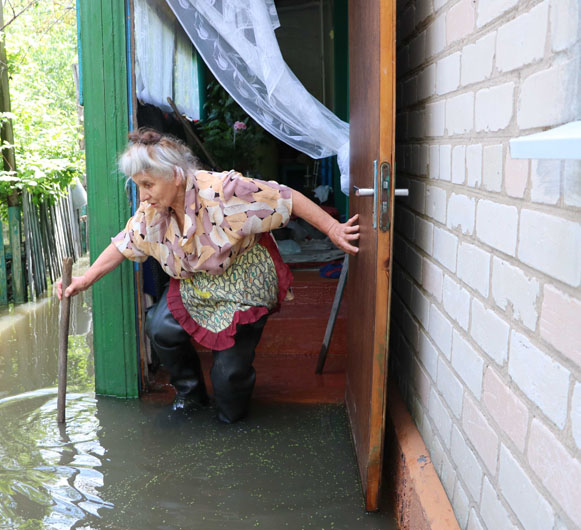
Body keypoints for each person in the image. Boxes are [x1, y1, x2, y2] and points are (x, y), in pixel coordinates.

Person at [57, 128, 359, 423]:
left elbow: (286, 198)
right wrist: (84, 280)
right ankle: (190, 396)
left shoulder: (225, 193)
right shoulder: (152, 211)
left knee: (228, 378)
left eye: (148, 184)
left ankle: (232, 417)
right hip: (197, 281)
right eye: (138, 185)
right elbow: (126, 242)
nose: (143, 195)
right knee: (160, 327)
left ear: (175, 175)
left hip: (243, 280)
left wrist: (333, 229)